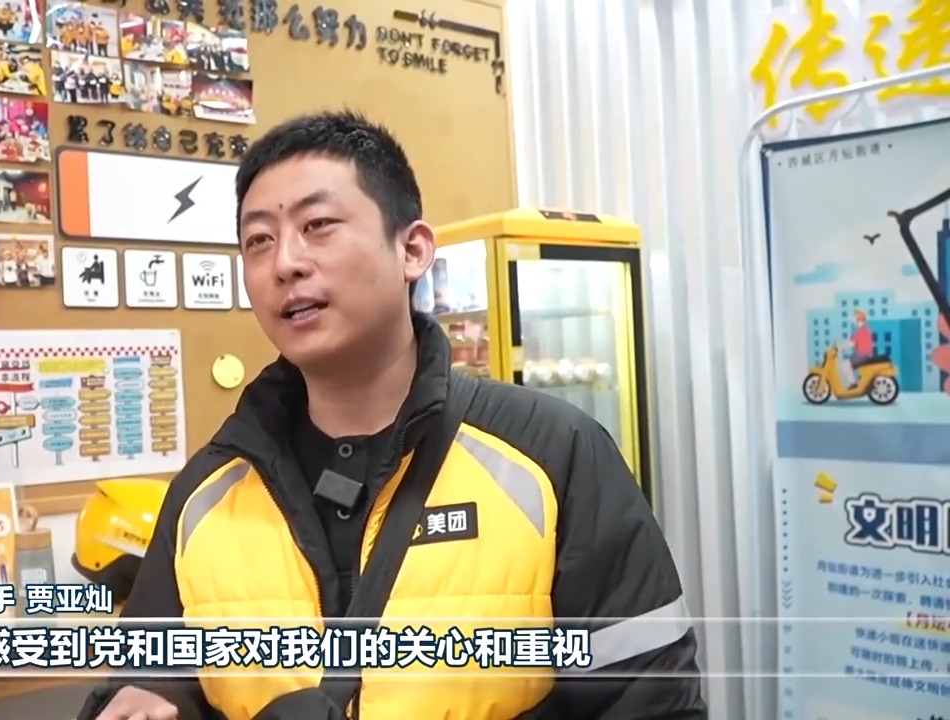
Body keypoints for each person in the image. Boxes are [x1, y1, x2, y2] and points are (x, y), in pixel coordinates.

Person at [80, 112, 704, 720]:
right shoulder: (205, 493)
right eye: (258, 241)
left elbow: (653, 700)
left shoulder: (555, 455)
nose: (284, 263)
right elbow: (146, 677)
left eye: (318, 225)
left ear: (412, 249)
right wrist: (150, 697)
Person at [839, 309, 873, 389]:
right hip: (863, 354)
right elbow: (852, 341)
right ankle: (855, 382)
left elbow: (852, 342)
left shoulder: (863, 330)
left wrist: (840, 347)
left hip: (862, 354)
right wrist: (842, 347)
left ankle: (853, 383)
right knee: (848, 364)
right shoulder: (865, 329)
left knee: (845, 364)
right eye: (856, 319)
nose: (856, 321)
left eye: (857, 319)